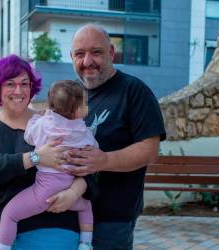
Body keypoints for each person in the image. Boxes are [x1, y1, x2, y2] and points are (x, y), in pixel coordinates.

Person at [0, 55, 98, 250]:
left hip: (50, 228)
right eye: (10, 84)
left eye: (24, 84)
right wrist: (35, 158)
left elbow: (90, 168)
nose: (18, 90)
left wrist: (74, 192)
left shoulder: (54, 123)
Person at [66, 24, 166, 250]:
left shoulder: (134, 91)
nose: (87, 61)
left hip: (111, 220)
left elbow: (149, 151)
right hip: (70, 213)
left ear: (111, 53)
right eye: (80, 54)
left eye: (96, 52)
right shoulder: (72, 94)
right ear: (71, 57)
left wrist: (104, 161)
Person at [0, 80, 97, 250]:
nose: (87, 106)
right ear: (77, 110)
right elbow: (94, 148)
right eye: (84, 103)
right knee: (86, 206)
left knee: (10, 214)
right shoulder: (83, 130)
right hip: (68, 189)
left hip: (43, 192)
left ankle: (2, 247)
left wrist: (36, 118)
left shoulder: (44, 124)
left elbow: (28, 136)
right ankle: (86, 243)